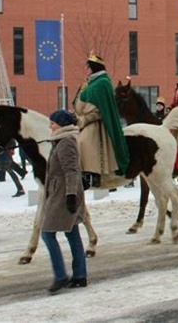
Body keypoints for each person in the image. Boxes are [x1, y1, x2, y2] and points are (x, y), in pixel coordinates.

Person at [41, 109, 88, 294]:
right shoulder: (60, 141)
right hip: (60, 192)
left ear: (61, 124)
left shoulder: (66, 142)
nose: (50, 126)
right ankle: (79, 275)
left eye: (53, 123)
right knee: (72, 233)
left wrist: (70, 196)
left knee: (47, 233)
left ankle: (61, 275)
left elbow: (71, 170)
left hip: (63, 195)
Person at [73, 54, 130, 188]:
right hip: (83, 120)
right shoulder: (90, 83)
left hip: (96, 123)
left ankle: (94, 173)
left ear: (94, 67)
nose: (86, 69)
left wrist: (84, 119)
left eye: (88, 66)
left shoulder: (102, 83)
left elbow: (101, 109)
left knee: (84, 142)